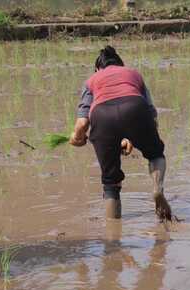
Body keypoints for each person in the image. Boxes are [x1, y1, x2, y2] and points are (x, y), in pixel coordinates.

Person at [69, 46, 173, 222]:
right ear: (121, 64)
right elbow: (150, 113)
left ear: (97, 69)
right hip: (135, 108)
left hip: (102, 116)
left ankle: (113, 238)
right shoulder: (133, 74)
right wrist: (138, 136)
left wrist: (76, 137)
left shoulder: (92, 80)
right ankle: (157, 189)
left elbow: (82, 122)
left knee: (110, 183)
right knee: (155, 154)